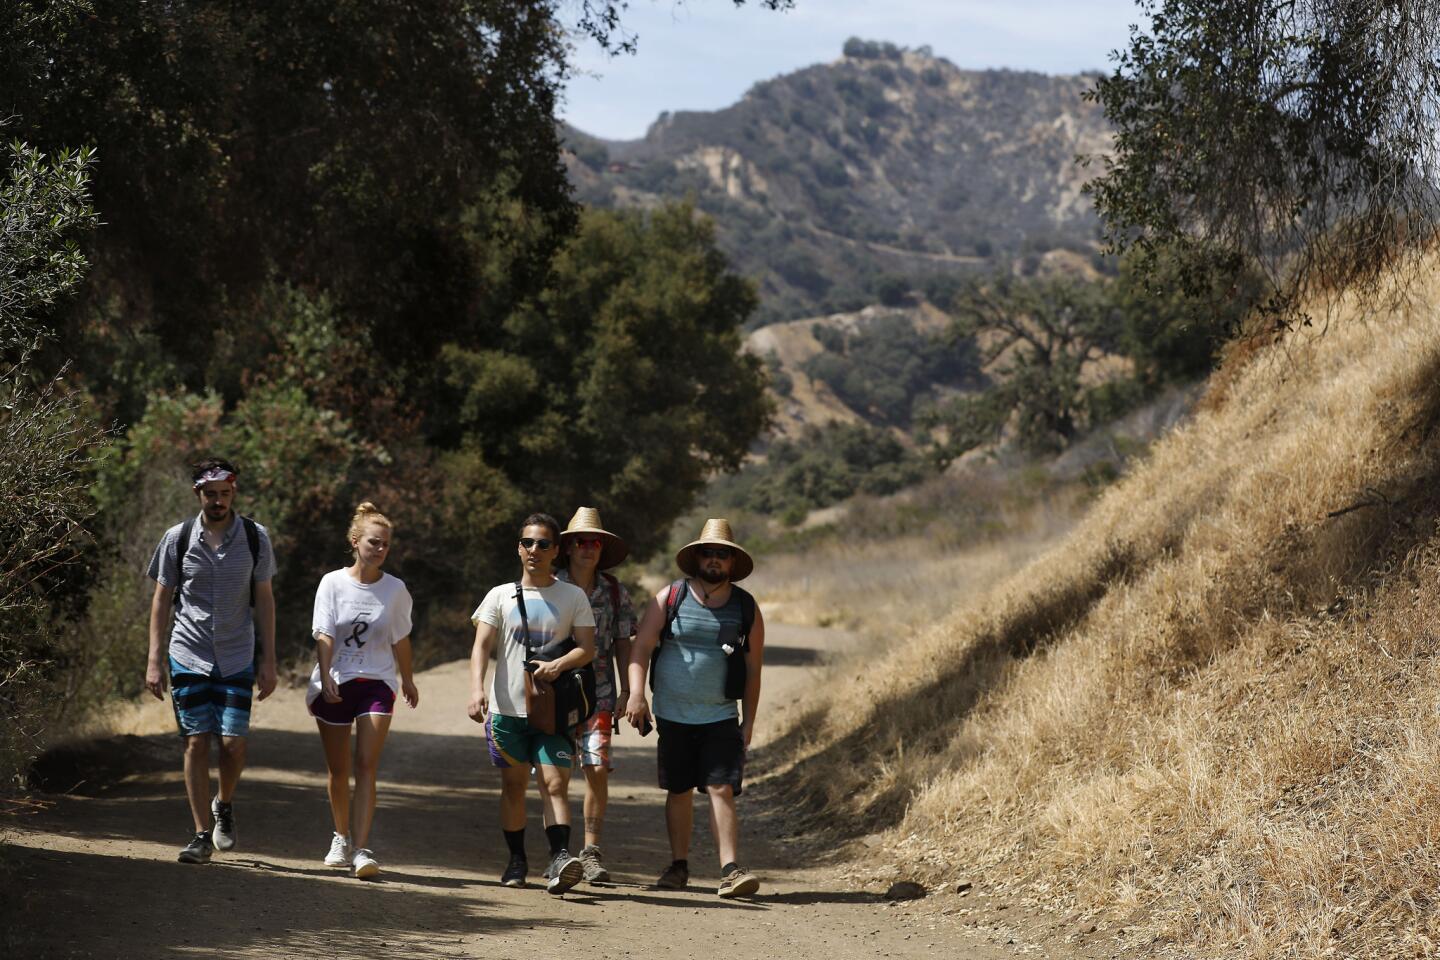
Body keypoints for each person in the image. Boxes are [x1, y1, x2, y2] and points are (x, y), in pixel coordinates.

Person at [144, 457, 278, 864]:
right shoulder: (177, 538)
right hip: (188, 653)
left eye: (224, 493)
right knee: (196, 742)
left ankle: (224, 803)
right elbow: (162, 599)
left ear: (233, 492)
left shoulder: (255, 538)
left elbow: (266, 600)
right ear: (198, 494)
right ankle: (201, 833)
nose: (218, 501)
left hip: (237, 654)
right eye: (210, 494)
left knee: (234, 746)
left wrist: (269, 660)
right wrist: (153, 659)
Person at [625, 518, 766, 899]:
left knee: (721, 788)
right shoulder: (669, 597)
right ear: (697, 558)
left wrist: (749, 722)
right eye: (709, 553)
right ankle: (679, 865)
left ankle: (731, 870)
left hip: (721, 715)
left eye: (723, 555)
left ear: (733, 563)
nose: (715, 560)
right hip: (673, 714)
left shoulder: (745, 607)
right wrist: (636, 694)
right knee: (680, 789)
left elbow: (753, 671)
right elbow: (641, 648)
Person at [467, 513, 597, 894]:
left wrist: (558, 664)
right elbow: (481, 646)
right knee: (513, 786)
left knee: (555, 783)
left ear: (557, 550)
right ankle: (517, 860)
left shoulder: (573, 596)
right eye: (528, 543)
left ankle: (560, 858)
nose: (534, 550)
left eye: (543, 544)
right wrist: (476, 689)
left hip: (551, 710)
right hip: (507, 710)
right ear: (518, 548)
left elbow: (587, 649)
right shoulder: (498, 595)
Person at [308, 502, 419, 880]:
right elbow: (323, 633)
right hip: (336, 679)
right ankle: (340, 836)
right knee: (338, 770)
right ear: (355, 542)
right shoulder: (332, 583)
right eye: (374, 542)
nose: (380, 549)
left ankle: (362, 848)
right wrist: (325, 675)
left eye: (386, 544)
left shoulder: (395, 590)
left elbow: (401, 639)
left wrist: (407, 678)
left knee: (366, 765)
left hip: (377, 681)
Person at [551, 507, 635, 884]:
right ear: (568, 548)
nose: (588, 547)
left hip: (599, 693)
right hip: (553, 694)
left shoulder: (615, 592)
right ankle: (560, 853)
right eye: (581, 541)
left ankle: (590, 852)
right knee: (557, 775)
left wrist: (629, 690)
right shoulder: (548, 584)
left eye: (595, 542)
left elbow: (622, 645)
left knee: (596, 769)